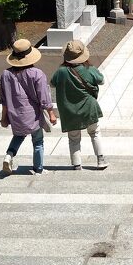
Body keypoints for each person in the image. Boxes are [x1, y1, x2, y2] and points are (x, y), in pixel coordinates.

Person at [0, 39, 57, 175]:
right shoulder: (37, 74)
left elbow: (4, 100)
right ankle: (39, 168)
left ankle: (9, 155)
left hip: (14, 113)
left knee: (19, 136)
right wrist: (51, 113)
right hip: (32, 114)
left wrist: (4, 118)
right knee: (38, 141)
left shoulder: (6, 74)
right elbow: (44, 97)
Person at [50, 40, 107, 170]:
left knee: (74, 137)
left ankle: (76, 164)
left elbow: (52, 84)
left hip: (69, 110)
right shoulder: (89, 69)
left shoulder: (61, 71)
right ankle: (101, 160)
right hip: (89, 107)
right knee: (95, 132)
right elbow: (102, 80)